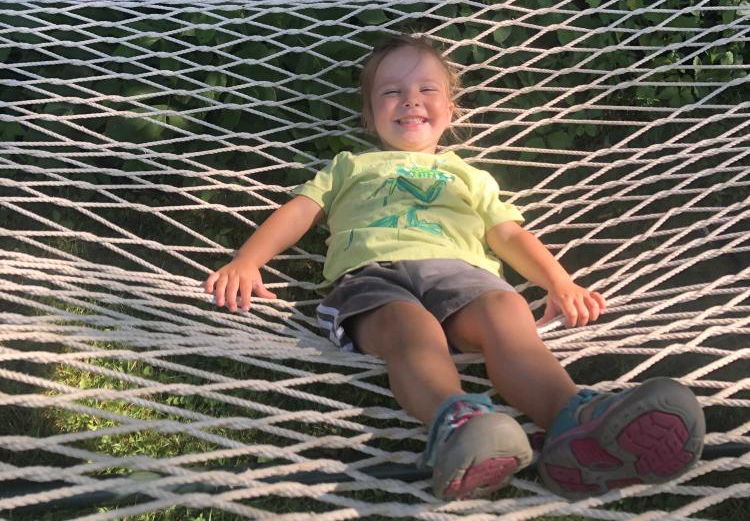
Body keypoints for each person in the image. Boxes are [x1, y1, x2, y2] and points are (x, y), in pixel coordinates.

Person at [205, 34, 705, 501]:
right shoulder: (349, 167)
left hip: (462, 274)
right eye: (391, 92)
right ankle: (459, 423)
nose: (410, 100)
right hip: (375, 277)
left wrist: (558, 281)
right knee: (410, 332)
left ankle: (576, 417)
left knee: (507, 318)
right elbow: (300, 210)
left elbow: (507, 233)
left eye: (426, 89)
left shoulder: (468, 174)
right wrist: (248, 260)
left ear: (450, 108)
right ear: (369, 113)